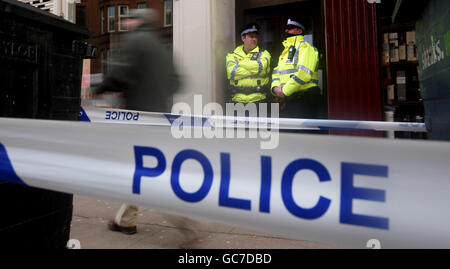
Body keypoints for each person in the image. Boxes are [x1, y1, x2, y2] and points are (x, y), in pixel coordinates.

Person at [96, 8, 180, 235]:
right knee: (142, 169)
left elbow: (118, 75)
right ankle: (126, 220)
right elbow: (176, 82)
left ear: (139, 21)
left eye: (129, 19)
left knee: (141, 171)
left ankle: (186, 222)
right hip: (159, 118)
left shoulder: (135, 41)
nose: (126, 23)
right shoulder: (161, 47)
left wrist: (100, 88)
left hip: (137, 118)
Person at [271, 18, 321, 119]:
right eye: (286, 28)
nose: (286, 31)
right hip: (289, 100)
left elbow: (304, 74)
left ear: (299, 31)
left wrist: (284, 91)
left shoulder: (307, 48)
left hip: (304, 101)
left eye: (290, 28)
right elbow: (276, 72)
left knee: (303, 133)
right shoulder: (284, 52)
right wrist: (275, 88)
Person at [226, 23, 271, 105]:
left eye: (256, 36)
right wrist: (254, 69)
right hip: (237, 100)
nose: (254, 39)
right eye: (251, 36)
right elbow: (232, 73)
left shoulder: (264, 54)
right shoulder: (232, 55)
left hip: (259, 100)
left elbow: (260, 68)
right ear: (243, 38)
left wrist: (239, 63)